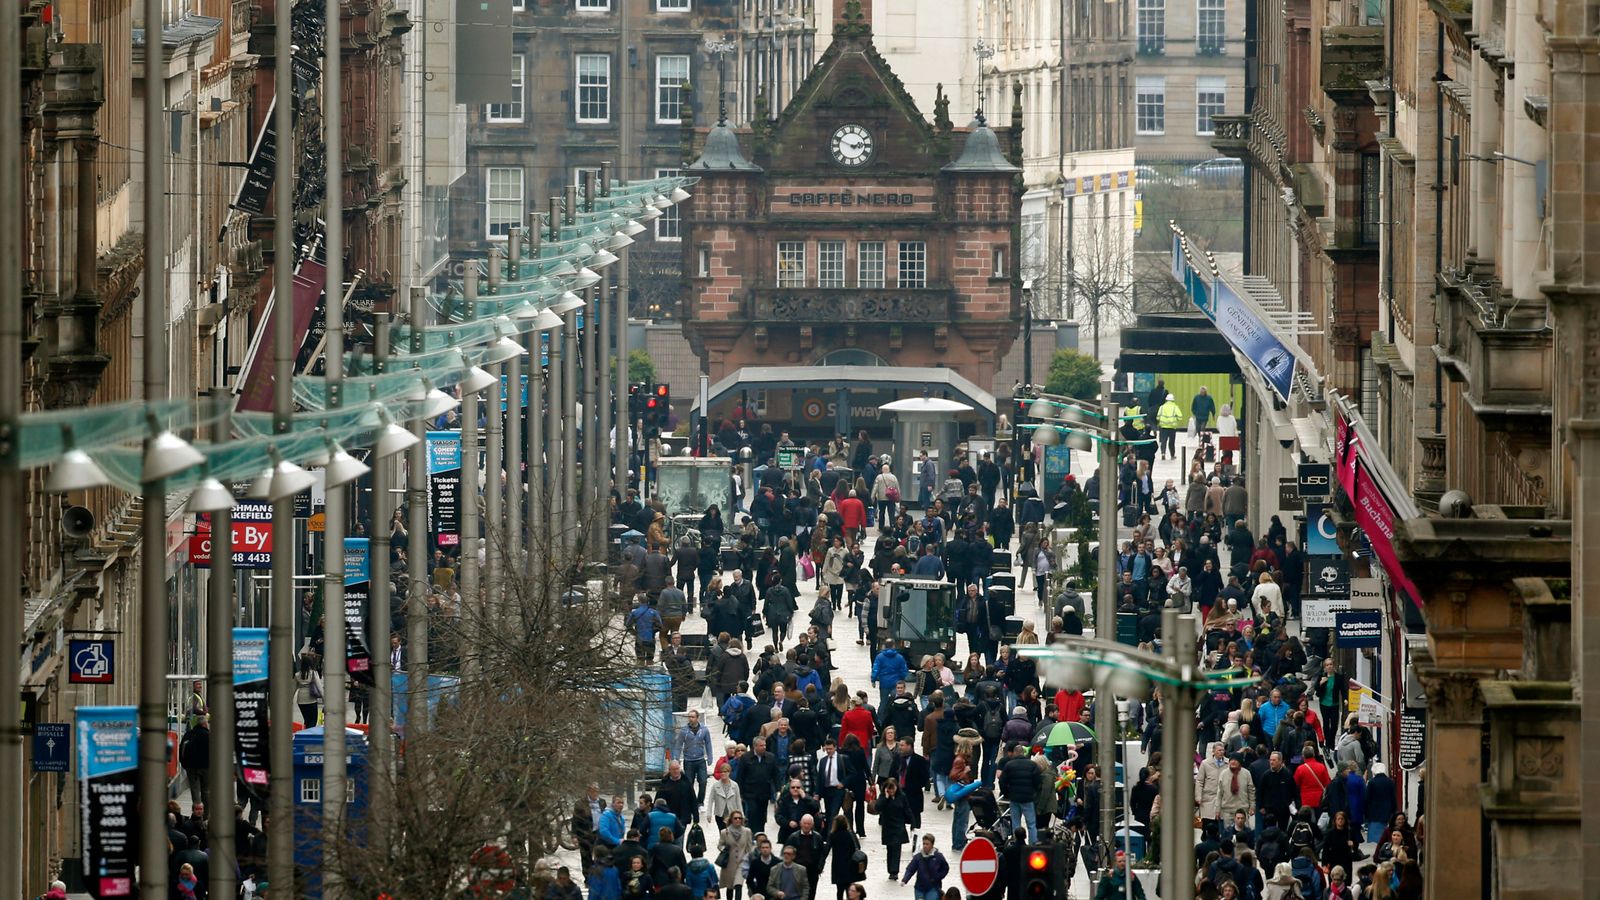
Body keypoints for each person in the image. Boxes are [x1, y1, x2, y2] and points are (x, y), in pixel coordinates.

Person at [998, 742, 1039, 843]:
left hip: (1014, 798)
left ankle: (1017, 843)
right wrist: (1033, 792)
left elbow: (1002, 781)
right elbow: (1037, 781)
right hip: (1028, 798)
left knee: (1015, 823)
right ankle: (1032, 845)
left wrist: (1007, 793)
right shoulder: (1032, 765)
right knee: (1031, 824)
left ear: (1015, 753)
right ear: (1024, 753)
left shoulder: (1009, 765)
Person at [870, 777, 912, 876]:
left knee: (897, 848)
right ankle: (890, 869)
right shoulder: (883, 797)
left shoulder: (902, 797)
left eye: (893, 788)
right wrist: (886, 797)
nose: (891, 791)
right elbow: (878, 807)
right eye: (889, 788)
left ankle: (894, 871)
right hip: (888, 827)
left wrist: (912, 822)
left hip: (899, 826)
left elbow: (907, 809)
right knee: (890, 849)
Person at [827, 813, 864, 900]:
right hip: (850, 865)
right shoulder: (850, 834)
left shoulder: (833, 835)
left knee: (839, 890)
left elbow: (827, 849)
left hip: (838, 866)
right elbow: (857, 847)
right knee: (849, 890)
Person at [900, 834, 949, 900]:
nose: (925, 846)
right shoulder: (918, 857)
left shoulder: (938, 857)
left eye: (927, 844)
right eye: (924, 844)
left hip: (933, 888)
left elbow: (945, 868)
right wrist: (905, 879)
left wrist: (938, 877)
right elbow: (910, 869)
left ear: (932, 845)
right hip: (919, 888)